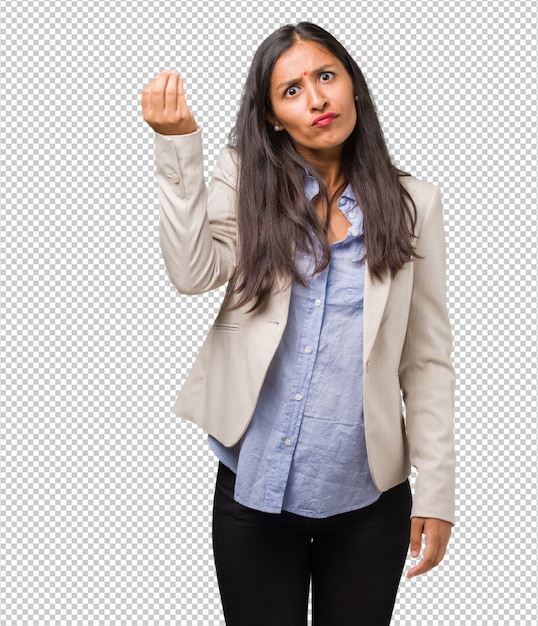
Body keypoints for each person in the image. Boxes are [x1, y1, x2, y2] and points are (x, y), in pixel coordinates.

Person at [142, 22, 455, 626]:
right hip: (254, 488)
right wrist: (178, 147)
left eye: (326, 76)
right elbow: (192, 272)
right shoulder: (247, 181)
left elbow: (427, 359)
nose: (316, 98)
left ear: (352, 87)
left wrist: (437, 492)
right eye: (291, 90)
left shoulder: (415, 203)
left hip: (370, 499)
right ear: (271, 118)